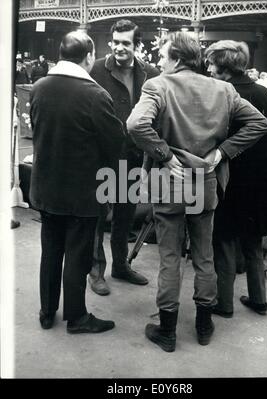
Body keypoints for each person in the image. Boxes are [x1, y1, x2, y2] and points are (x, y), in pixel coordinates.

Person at [127, 32, 267, 352]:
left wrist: (164, 153)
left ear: (176, 59)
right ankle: (204, 324)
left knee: (169, 258)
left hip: (169, 183)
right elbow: (259, 123)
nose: (161, 62)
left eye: (164, 57)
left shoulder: (158, 85)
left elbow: (136, 125)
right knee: (204, 255)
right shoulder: (223, 89)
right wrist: (222, 153)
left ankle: (167, 330)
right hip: (205, 184)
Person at [29, 31, 125, 334]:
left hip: (45, 187)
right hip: (82, 192)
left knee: (51, 250)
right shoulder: (95, 95)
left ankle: (47, 311)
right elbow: (115, 143)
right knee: (77, 253)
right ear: (88, 57)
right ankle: (77, 317)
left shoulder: (39, 87)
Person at [205, 40, 267, 318]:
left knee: (223, 242)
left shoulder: (223, 93)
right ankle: (259, 299)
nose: (208, 69)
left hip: (230, 180)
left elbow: (215, 137)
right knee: (253, 242)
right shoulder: (264, 92)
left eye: (212, 64)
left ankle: (224, 303)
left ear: (224, 68)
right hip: (259, 180)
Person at [88, 19, 159, 295]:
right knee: (98, 216)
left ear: (136, 45)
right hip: (102, 156)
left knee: (125, 216)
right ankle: (96, 271)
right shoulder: (96, 69)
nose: (119, 47)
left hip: (132, 157)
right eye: (115, 42)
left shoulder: (149, 73)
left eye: (125, 43)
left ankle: (120, 265)